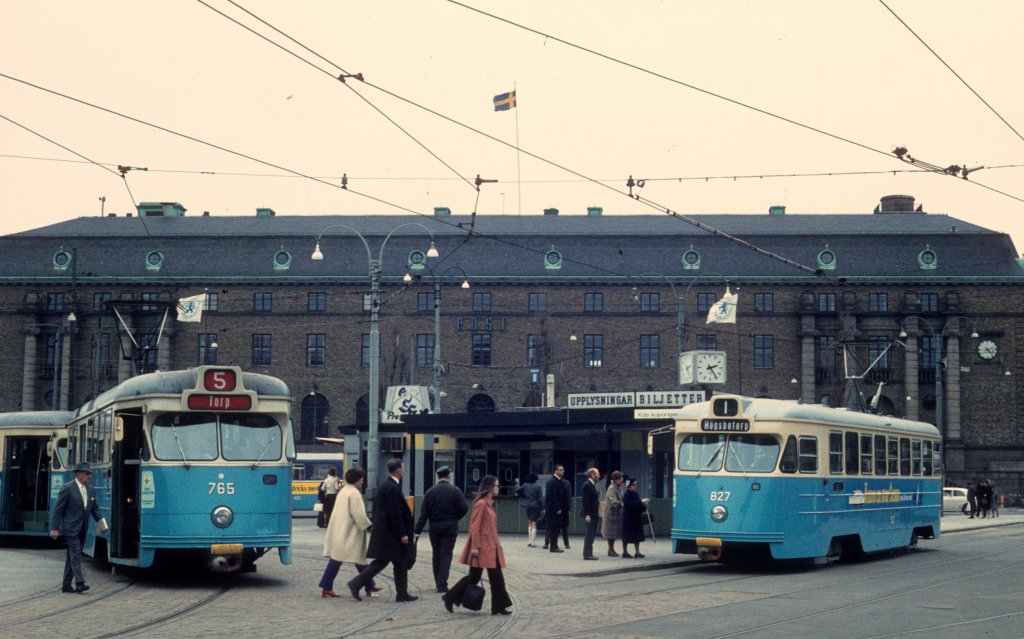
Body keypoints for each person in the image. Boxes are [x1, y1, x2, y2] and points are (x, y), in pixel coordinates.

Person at [347, 458, 418, 602]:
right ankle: (356, 583)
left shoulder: (387, 486)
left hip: (386, 533)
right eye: (402, 468)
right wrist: (402, 534)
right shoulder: (392, 488)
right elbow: (395, 513)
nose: (403, 470)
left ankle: (401, 593)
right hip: (391, 535)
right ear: (398, 470)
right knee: (393, 562)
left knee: (396, 562)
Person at [442, 475, 513, 616]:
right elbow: (474, 526)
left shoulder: (489, 503)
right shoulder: (481, 504)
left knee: (494, 577)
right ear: (490, 487)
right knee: (476, 577)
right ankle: (449, 597)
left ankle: (498, 606)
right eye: (497, 485)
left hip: (491, 548)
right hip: (482, 548)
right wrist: (475, 547)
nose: (499, 488)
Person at [318, 467, 382, 598]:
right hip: (350, 531)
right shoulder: (354, 493)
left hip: (340, 530)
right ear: (358, 480)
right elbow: (359, 514)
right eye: (362, 479)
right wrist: (369, 525)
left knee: (345, 558)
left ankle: (369, 585)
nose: (363, 482)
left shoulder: (344, 491)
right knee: (354, 558)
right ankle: (327, 586)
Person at [50, 463, 107, 594]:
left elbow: (94, 508)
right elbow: (58, 510)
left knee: (72, 556)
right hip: (70, 528)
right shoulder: (67, 488)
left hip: (83, 528)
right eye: (87, 474)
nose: (89, 477)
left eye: (89, 474)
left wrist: (102, 524)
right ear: (79, 475)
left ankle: (66, 585)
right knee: (76, 553)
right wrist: (54, 528)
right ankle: (80, 583)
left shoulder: (91, 489)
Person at [414, 465, 468, 593]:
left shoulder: (430, 492)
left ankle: (437, 580)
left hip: (435, 527)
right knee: (446, 555)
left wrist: (417, 531)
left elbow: (423, 515)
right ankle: (442, 584)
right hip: (450, 527)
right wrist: (455, 518)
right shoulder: (455, 491)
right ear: (449, 476)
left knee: (436, 554)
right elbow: (464, 508)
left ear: (438, 477)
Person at [543, 464, 569, 553]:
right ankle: (553, 546)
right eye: (561, 470)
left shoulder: (557, 481)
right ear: (555, 471)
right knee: (554, 528)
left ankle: (555, 545)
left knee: (557, 528)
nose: (563, 471)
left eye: (563, 470)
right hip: (554, 510)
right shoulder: (552, 482)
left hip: (557, 509)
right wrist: (557, 508)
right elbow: (552, 496)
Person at [514, 473, 543, 547]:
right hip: (535, 505)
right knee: (534, 523)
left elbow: (517, 490)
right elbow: (540, 498)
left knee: (530, 522)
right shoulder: (538, 486)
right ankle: (533, 542)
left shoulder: (525, 485)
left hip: (527, 505)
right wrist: (543, 507)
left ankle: (529, 541)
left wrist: (524, 495)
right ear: (536, 479)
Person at [621, 478, 646, 559]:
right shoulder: (627, 494)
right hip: (629, 518)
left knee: (637, 535)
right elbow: (629, 505)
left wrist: (644, 505)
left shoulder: (635, 494)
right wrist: (640, 502)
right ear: (629, 486)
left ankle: (637, 552)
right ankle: (625, 551)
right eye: (634, 485)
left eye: (636, 485)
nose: (635, 486)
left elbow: (639, 505)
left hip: (636, 518)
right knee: (626, 535)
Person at [601, 471, 625, 557]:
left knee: (614, 533)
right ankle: (610, 550)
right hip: (610, 513)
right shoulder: (611, 488)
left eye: (622, 478)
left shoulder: (620, 487)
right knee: (610, 533)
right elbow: (613, 501)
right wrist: (621, 503)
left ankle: (612, 549)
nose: (621, 480)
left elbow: (623, 496)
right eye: (619, 479)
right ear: (615, 480)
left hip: (617, 513)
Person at [581, 467, 601, 560]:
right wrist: (587, 514)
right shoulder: (588, 485)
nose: (599, 476)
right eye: (597, 474)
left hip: (593, 513)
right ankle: (587, 554)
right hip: (591, 514)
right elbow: (586, 502)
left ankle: (589, 553)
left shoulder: (591, 485)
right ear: (592, 475)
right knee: (590, 534)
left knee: (591, 534)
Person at [560, 470, 573, 550]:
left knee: (552, 527)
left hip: (560, 507)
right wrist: (569, 508)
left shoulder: (551, 482)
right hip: (565, 507)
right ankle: (566, 543)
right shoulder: (567, 483)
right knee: (565, 527)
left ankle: (548, 542)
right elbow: (569, 496)